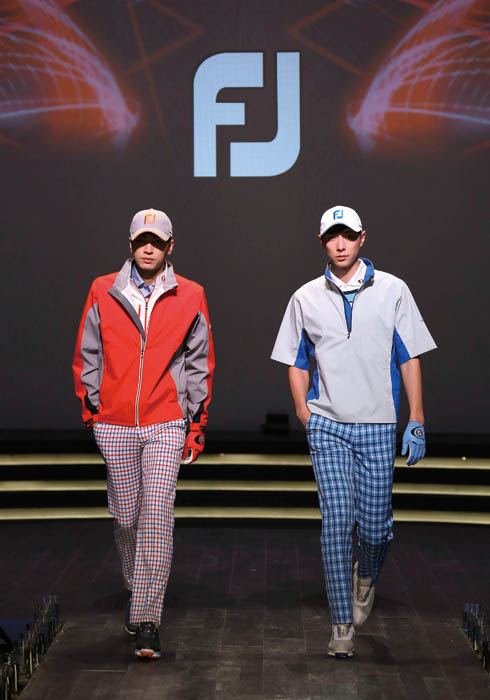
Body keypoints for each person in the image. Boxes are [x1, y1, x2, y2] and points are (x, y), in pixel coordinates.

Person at [271, 205, 436, 658]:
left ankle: (366, 577)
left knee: (378, 529)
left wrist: (416, 418)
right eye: (332, 236)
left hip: (379, 424)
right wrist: (304, 413)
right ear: (321, 242)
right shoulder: (305, 297)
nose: (340, 244)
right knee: (337, 523)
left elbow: (408, 356)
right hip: (328, 426)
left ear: (363, 237)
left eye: (347, 235)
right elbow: (296, 360)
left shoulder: (393, 290)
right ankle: (341, 624)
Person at [73, 208, 214, 659]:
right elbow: (88, 351)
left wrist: (196, 424)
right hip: (114, 422)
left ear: (170, 246)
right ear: (130, 244)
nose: (148, 248)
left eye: (156, 241)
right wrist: (93, 411)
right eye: (141, 241)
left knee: (155, 515)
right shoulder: (103, 289)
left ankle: (148, 617)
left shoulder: (191, 294)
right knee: (125, 518)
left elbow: (199, 362)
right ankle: (140, 591)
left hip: (166, 420)